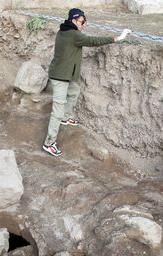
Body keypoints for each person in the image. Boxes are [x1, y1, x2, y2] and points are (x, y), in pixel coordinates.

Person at [42, 8, 131, 157]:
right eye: (82, 22)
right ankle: (49, 143)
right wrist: (119, 37)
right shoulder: (74, 35)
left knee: (74, 92)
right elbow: (93, 41)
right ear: (73, 20)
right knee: (57, 111)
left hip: (66, 74)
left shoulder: (62, 31)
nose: (84, 24)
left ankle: (65, 117)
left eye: (85, 22)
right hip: (60, 77)